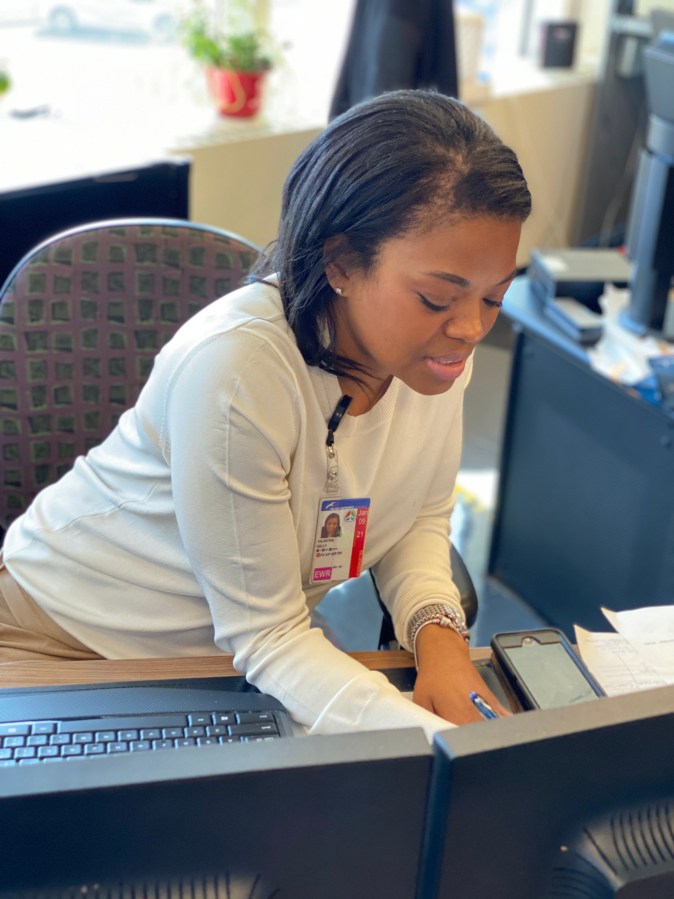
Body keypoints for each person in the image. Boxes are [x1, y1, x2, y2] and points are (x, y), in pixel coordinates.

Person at [0, 90, 531, 739]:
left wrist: (438, 635)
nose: (471, 328)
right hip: (66, 645)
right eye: (436, 298)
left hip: (239, 657)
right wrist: (453, 750)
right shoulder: (239, 373)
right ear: (340, 262)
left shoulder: (436, 354)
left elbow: (418, 515)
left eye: (494, 297)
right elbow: (271, 638)